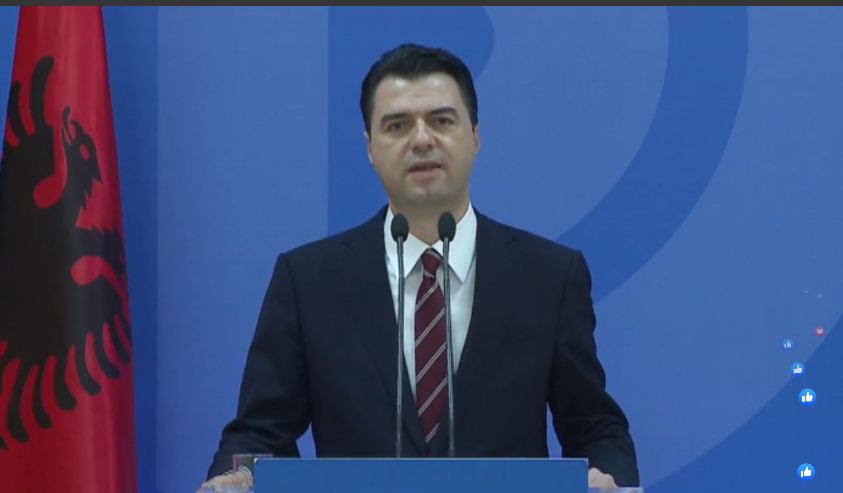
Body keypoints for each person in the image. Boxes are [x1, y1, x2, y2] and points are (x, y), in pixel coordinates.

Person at [198, 43, 639, 492]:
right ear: (370, 148)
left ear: (475, 137)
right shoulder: (309, 281)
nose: (422, 140)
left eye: (442, 121)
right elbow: (260, 431)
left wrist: (609, 480)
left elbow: (595, 427)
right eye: (397, 125)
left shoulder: (548, 276)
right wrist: (241, 476)